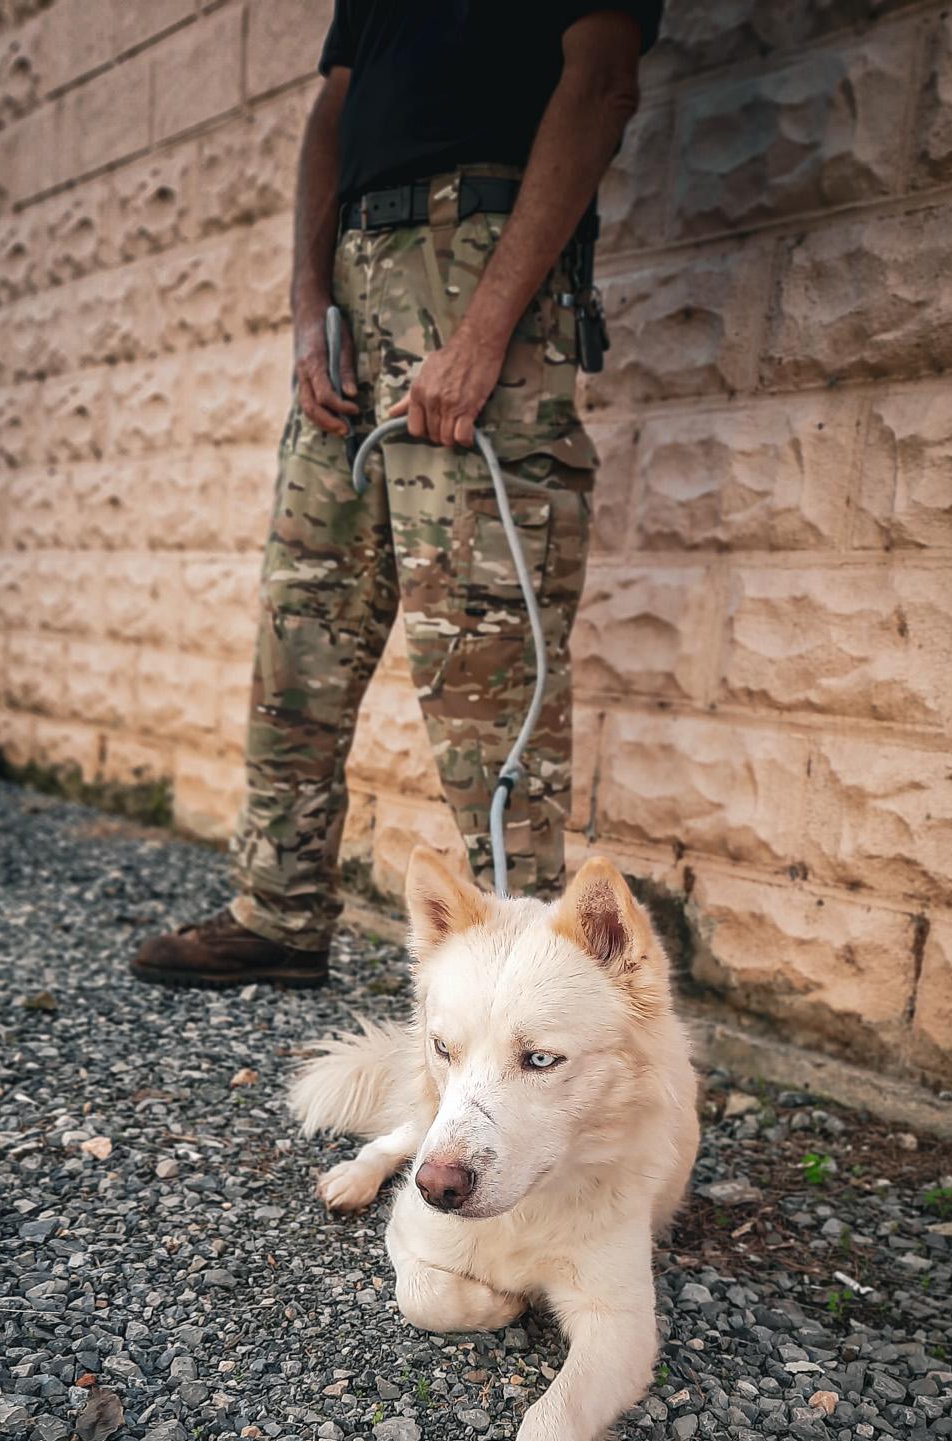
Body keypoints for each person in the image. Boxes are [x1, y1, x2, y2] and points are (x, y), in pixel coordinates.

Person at [132, 1, 661, 990]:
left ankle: (526, 961)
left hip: (478, 259)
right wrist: (306, 309)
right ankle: (278, 910)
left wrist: (482, 334)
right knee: (302, 618)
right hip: (354, 278)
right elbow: (332, 114)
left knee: (485, 636)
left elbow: (600, 83)